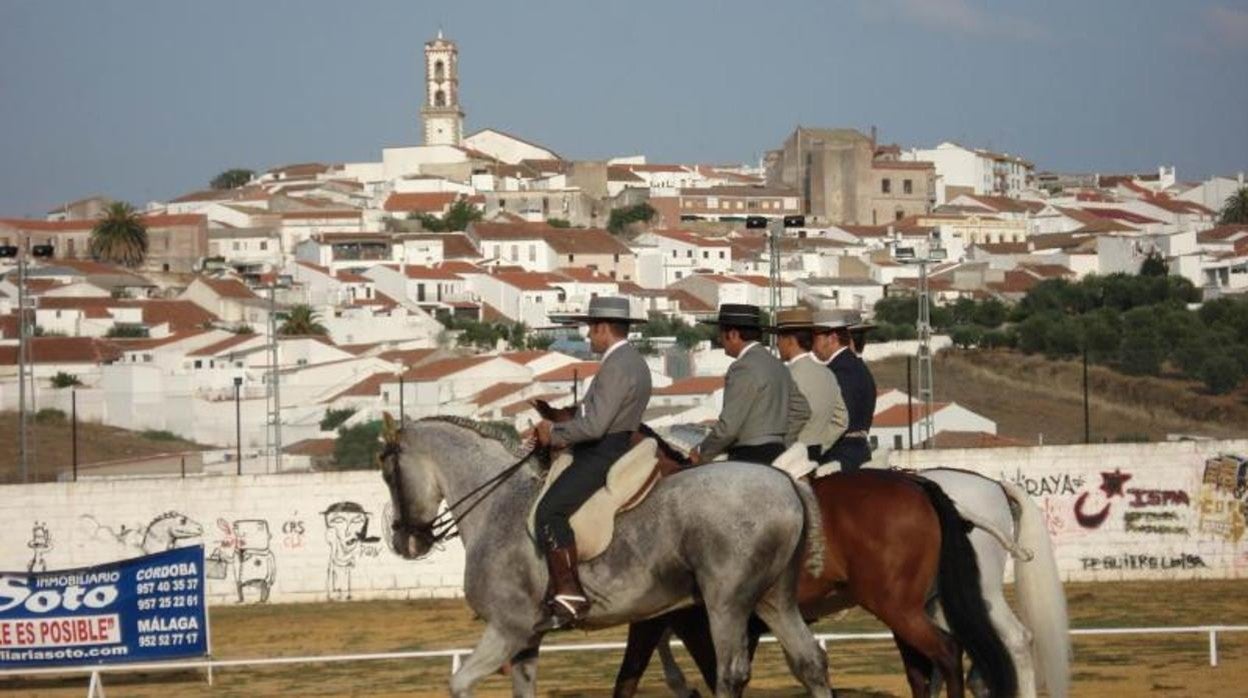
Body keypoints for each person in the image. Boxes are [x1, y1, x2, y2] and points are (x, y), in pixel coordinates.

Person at [532, 296, 649, 628]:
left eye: (589, 329)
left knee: (549, 512)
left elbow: (595, 425)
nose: (587, 336)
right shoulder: (636, 362)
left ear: (602, 328)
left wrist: (553, 432)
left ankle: (570, 593)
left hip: (601, 451)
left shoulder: (616, 366)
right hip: (619, 444)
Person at [690, 304, 810, 466]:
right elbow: (801, 410)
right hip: (777, 453)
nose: (719, 340)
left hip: (749, 456)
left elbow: (728, 427)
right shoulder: (777, 364)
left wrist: (702, 452)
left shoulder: (743, 367)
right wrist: (781, 442)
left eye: (721, 334)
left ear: (733, 334)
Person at [768, 307, 847, 462]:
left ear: (790, 340)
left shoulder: (784, 375)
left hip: (788, 457)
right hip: (816, 455)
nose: (777, 344)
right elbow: (841, 420)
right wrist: (820, 446)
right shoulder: (828, 374)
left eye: (779, 338)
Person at [811, 309, 877, 471]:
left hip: (839, 456)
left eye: (816, 338)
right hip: (856, 451)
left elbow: (839, 419)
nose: (812, 345)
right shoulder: (855, 365)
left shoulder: (841, 370)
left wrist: (813, 451)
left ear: (833, 338)